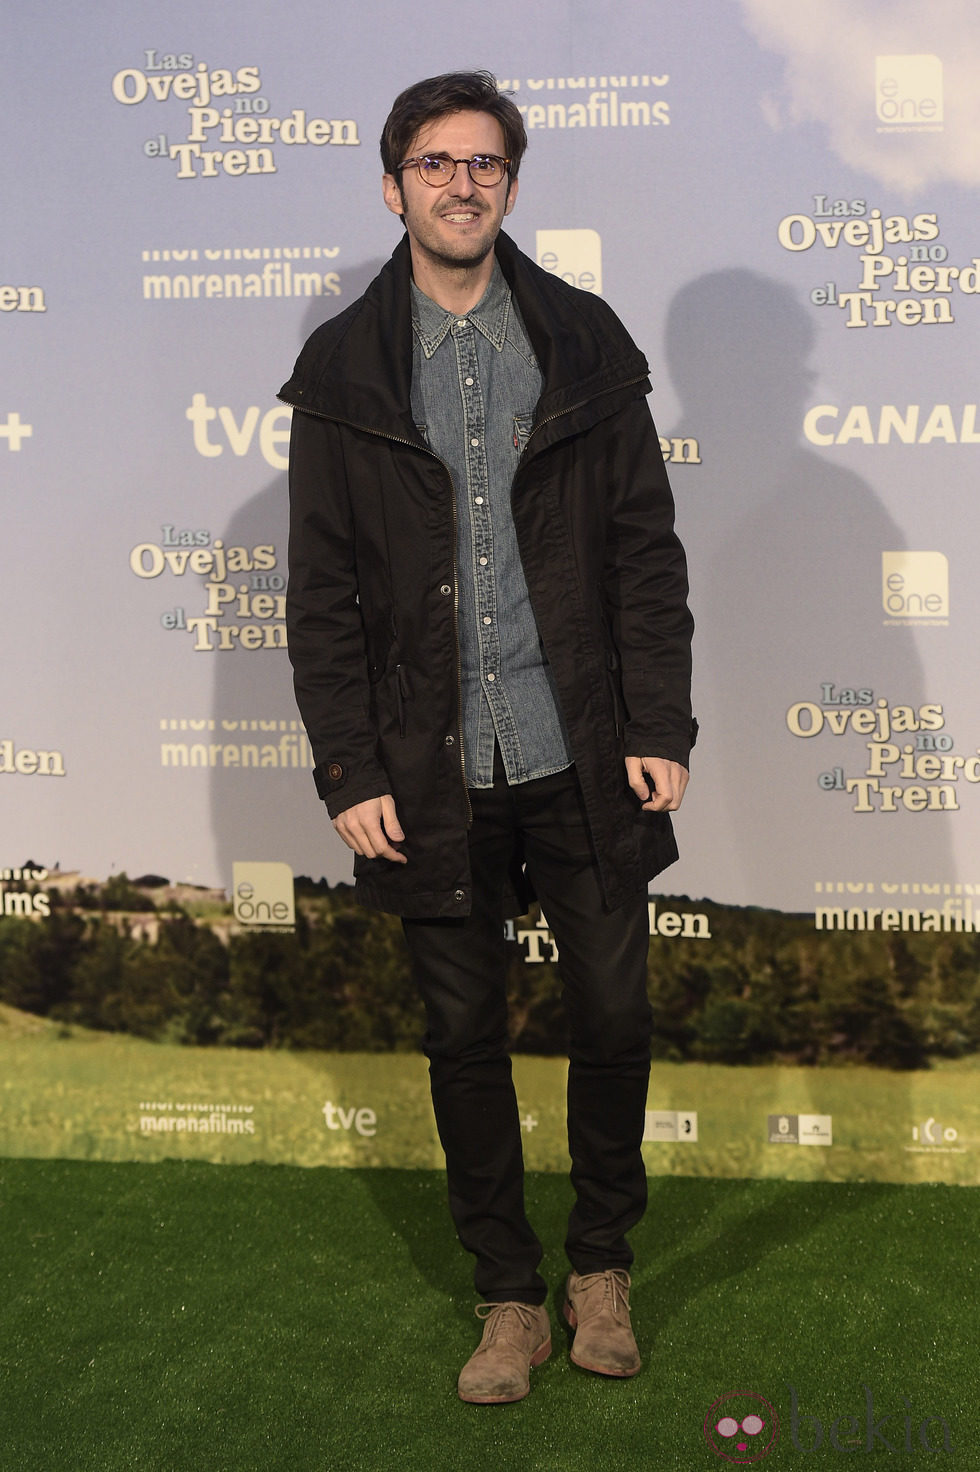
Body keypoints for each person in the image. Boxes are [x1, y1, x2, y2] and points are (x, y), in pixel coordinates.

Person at [280, 70, 695, 1404]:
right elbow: (322, 591)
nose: (464, 184)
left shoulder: (580, 341)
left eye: (487, 165)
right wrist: (347, 766)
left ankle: (598, 1270)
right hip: (427, 765)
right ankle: (508, 1296)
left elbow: (644, 552)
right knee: (464, 1040)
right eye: (437, 163)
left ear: (510, 184)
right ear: (392, 182)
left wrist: (658, 722)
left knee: (615, 1015)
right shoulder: (346, 369)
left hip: (578, 747)